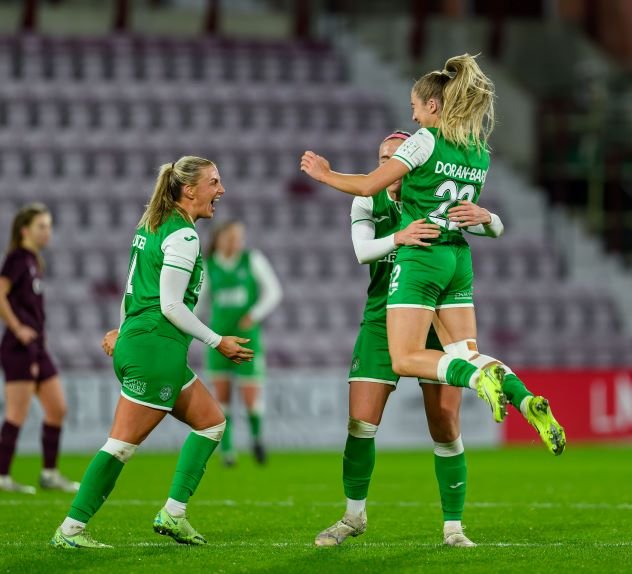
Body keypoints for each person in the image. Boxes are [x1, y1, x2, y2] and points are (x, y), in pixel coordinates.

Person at [301, 55, 565, 446]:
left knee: (404, 358)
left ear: (433, 105)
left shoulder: (426, 140)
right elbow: (481, 222)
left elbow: (370, 185)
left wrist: (325, 174)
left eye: (415, 108)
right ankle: (526, 401)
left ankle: (478, 379)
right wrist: (488, 217)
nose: (414, 118)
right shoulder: (478, 149)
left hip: (424, 256)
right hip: (459, 259)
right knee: (465, 352)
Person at [50, 156, 254, 549]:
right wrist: (218, 341)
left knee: (211, 422)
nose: (222, 190)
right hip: (154, 349)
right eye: (214, 182)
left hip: (146, 343)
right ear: (190, 190)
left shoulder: (152, 227)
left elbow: (132, 289)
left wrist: (122, 330)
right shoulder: (185, 236)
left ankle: (173, 513)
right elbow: (171, 305)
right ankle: (71, 529)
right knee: (121, 445)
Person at [315, 131, 506, 548]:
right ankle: (353, 516)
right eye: (383, 157)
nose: (390, 165)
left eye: (396, 157)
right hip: (382, 323)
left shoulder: (436, 199)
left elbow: (494, 228)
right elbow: (362, 251)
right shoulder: (367, 198)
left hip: (433, 323)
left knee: (444, 425)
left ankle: (453, 528)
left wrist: (487, 218)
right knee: (360, 424)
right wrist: (398, 238)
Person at [0, 203, 79, 494]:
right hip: (18, 347)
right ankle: (2, 475)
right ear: (25, 230)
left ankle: (49, 473)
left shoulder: (34, 260)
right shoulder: (17, 259)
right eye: (41, 226)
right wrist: (17, 327)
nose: (47, 232)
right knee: (16, 413)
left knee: (57, 408)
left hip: (37, 346)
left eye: (49, 226)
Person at [203, 221, 282, 466]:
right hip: (218, 338)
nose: (236, 242)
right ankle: (227, 452)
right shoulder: (209, 265)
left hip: (248, 337)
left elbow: (274, 291)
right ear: (219, 239)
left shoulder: (252, 259)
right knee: (222, 397)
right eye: (231, 237)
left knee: (250, 396)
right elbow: (197, 301)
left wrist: (254, 314)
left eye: (239, 237)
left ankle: (257, 440)